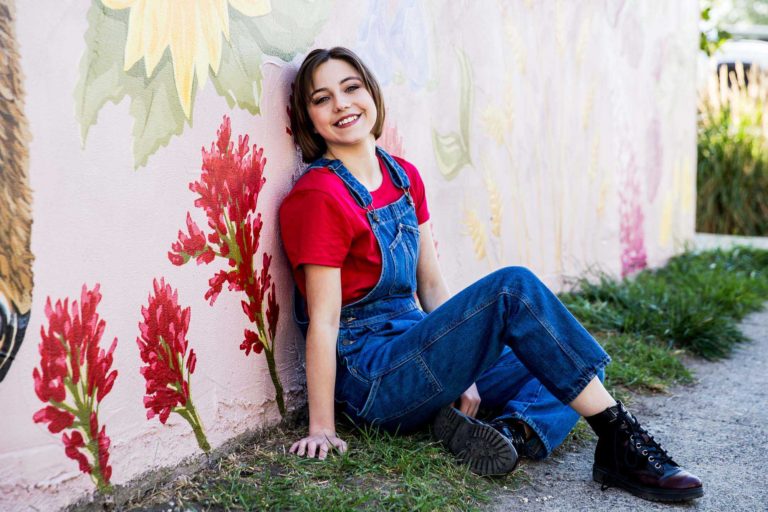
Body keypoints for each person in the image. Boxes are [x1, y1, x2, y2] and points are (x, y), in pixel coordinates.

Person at [278, 47, 703, 503]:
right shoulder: (318, 195)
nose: (342, 104)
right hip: (373, 376)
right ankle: (620, 442)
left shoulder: (402, 177)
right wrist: (322, 427)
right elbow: (323, 321)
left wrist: (463, 361)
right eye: (322, 99)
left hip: (418, 342)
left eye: (351, 88)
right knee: (514, 291)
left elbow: (432, 287)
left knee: (566, 359)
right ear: (309, 119)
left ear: (371, 93)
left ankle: (508, 434)